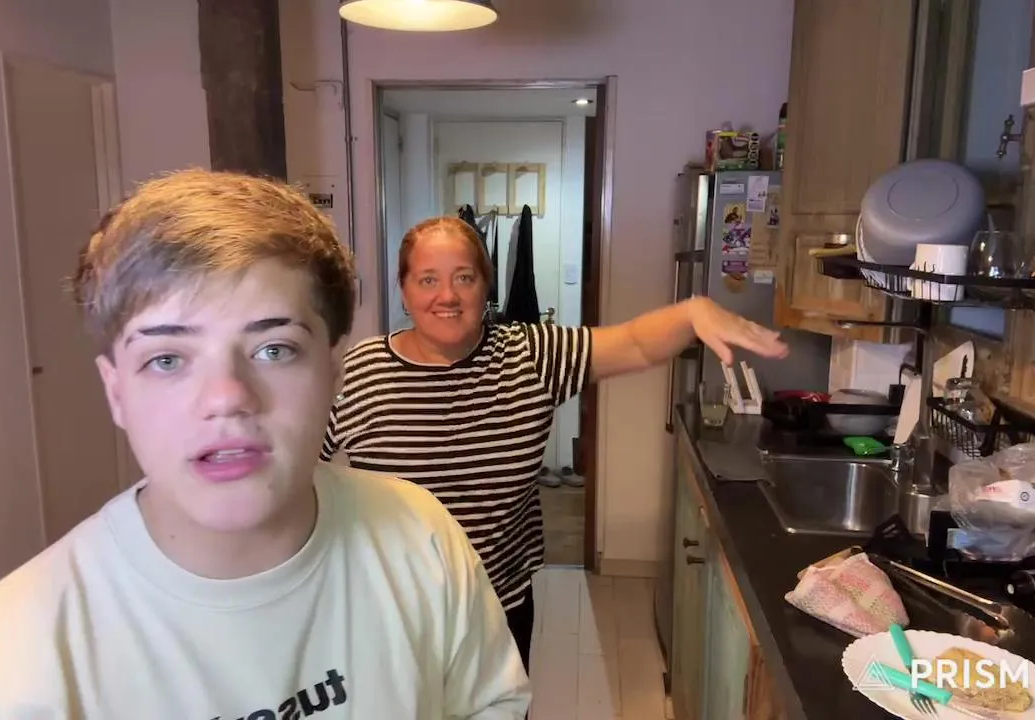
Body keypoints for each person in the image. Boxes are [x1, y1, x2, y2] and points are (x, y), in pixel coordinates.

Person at [0, 172, 530, 719]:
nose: (228, 396)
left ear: (334, 372)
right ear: (116, 390)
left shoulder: (420, 537)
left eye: (274, 349)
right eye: (168, 358)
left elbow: (488, 702)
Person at [321, 216, 788, 668]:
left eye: (464, 277)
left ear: (486, 287)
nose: (447, 296)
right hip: (393, 615)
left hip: (497, 610)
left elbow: (634, 343)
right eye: (428, 280)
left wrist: (692, 312)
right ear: (404, 290)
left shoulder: (529, 355)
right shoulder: (358, 372)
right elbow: (298, 472)